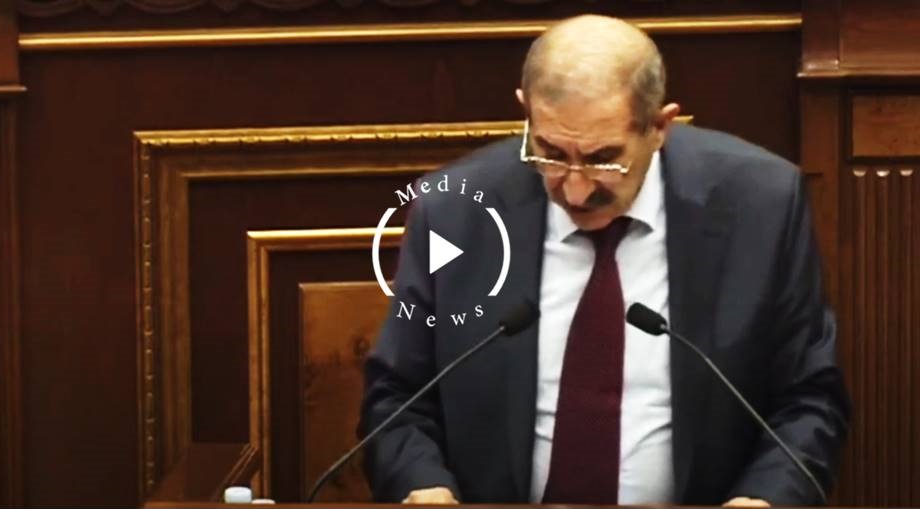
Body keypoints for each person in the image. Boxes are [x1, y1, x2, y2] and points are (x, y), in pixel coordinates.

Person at [359, 14, 849, 507]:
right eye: (550, 153)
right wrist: (424, 486)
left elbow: (809, 398)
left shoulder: (760, 206)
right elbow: (398, 395)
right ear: (526, 111)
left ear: (660, 127)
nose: (575, 189)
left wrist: (764, 499)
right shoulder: (456, 212)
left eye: (603, 159)